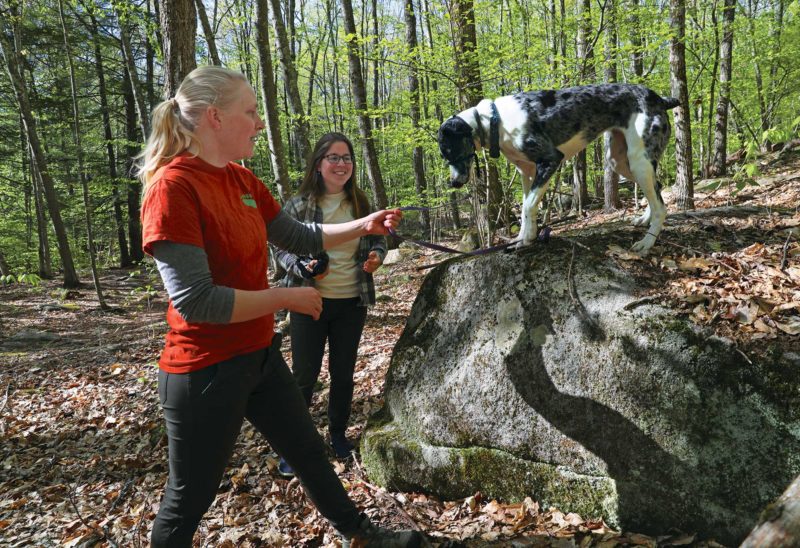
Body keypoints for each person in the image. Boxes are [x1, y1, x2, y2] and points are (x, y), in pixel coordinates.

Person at [138, 65, 425, 548]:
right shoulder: (173, 188)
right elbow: (195, 301)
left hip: (259, 356)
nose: (259, 122)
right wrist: (285, 298)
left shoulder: (242, 180)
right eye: (250, 112)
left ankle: (361, 535)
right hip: (204, 370)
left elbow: (298, 235)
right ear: (215, 118)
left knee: (308, 452)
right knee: (191, 495)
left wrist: (365, 225)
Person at [271, 133, 385, 476]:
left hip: (351, 302)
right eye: (333, 158)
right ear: (319, 164)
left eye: (346, 158)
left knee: (343, 374)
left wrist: (377, 256)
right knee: (303, 377)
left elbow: (378, 240)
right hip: (308, 303)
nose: (341, 164)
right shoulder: (298, 205)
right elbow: (279, 246)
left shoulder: (361, 203)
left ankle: (338, 435)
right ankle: (296, 448)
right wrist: (299, 264)